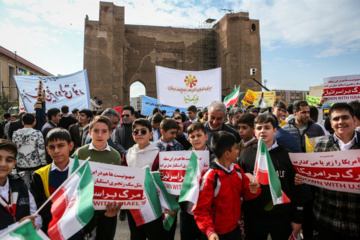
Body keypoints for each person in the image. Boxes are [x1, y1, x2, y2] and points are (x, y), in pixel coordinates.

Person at [297, 103, 360, 240]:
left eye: (345, 118)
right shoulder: (321, 144)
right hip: (326, 220)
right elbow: (314, 177)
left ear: (354, 120)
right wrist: (303, 178)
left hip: (356, 223)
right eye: (336, 119)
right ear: (331, 123)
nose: (341, 122)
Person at [238, 113, 303, 240]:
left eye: (267, 127)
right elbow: (239, 186)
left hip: (282, 217)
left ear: (275, 131)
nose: (263, 131)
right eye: (259, 128)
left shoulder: (288, 155)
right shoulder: (246, 155)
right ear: (254, 131)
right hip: (254, 217)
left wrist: (298, 218)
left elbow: (296, 190)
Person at [193, 131, 261, 240]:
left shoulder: (238, 170)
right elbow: (201, 210)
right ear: (227, 154)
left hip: (234, 230)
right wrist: (209, 231)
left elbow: (246, 195)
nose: (238, 151)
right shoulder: (210, 177)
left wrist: (254, 189)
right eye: (235, 148)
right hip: (215, 234)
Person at [74, 116, 121, 239]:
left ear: (110, 134)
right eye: (96, 131)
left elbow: (117, 184)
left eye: (104, 131)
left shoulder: (115, 155)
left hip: (107, 210)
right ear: (90, 133)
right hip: (85, 209)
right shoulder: (80, 153)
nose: (100, 135)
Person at [30, 128, 84, 238]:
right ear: (47, 150)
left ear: (71, 146)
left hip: (78, 230)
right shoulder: (40, 175)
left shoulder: (83, 171)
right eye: (52, 147)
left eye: (61, 146)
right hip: (51, 231)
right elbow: (37, 206)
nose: (56, 151)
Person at [122, 119, 163, 240]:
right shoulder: (128, 153)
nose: (139, 134)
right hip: (134, 202)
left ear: (151, 134)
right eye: (136, 132)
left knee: (154, 234)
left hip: (153, 203)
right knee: (136, 235)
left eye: (143, 131)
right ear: (132, 135)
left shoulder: (158, 153)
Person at [0, 139, 41, 234]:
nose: (3, 164)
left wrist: (34, 223)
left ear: (14, 163)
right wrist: (18, 227)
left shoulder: (20, 185)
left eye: (9, 160)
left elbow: (36, 216)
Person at [181, 122, 214, 240]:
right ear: (188, 139)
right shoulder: (182, 159)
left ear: (206, 137)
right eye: (192, 136)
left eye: (199, 135)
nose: (196, 139)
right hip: (188, 210)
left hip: (208, 212)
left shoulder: (215, 158)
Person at [12, 113, 46, 186]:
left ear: (22, 122)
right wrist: (43, 163)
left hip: (21, 164)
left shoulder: (16, 134)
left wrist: (15, 161)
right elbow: (41, 150)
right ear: (34, 122)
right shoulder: (37, 133)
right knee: (36, 185)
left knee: (24, 185)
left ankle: (25, 197)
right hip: (36, 163)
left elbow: (14, 150)